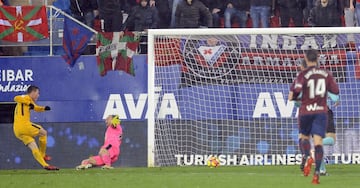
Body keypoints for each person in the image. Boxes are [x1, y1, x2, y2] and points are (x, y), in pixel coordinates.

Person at [289, 49, 340, 184]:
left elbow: (295, 99)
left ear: (305, 60)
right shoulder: (325, 74)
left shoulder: (302, 76)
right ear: (318, 58)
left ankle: (308, 155)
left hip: (306, 112)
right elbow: (335, 95)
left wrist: (300, 102)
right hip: (322, 112)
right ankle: (317, 170)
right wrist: (333, 98)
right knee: (322, 141)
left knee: (304, 138)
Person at [13, 85, 59, 170]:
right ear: (33, 92)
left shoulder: (30, 101)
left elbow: (36, 108)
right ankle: (43, 155)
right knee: (44, 133)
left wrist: (44, 108)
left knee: (33, 146)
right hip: (24, 125)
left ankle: (45, 165)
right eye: (38, 93)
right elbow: (16, 98)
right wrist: (28, 103)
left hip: (17, 130)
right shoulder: (25, 97)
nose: (38, 95)